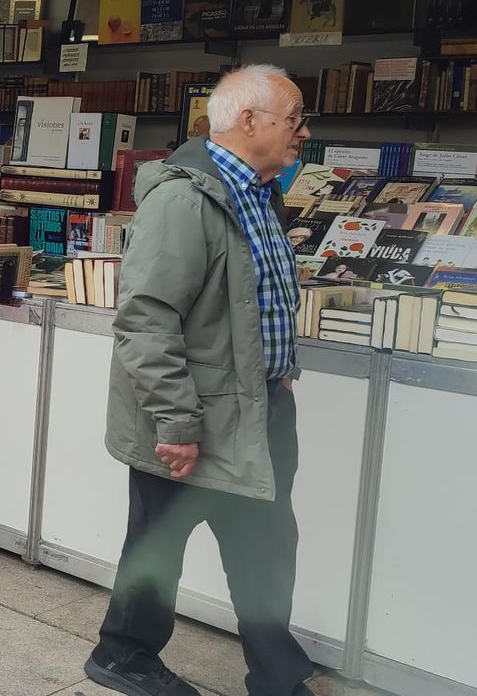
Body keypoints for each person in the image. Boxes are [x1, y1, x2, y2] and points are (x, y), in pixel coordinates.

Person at [88, 65, 314, 696]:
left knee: (266, 547)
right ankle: (124, 656)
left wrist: (282, 373)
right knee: (159, 544)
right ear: (249, 121)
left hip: (261, 408)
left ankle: (277, 676)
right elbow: (146, 320)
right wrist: (178, 421)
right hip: (191, 416)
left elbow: (255, 303)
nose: (302, 131)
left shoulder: (260, 193)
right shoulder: (186, 199)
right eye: (294, 118)